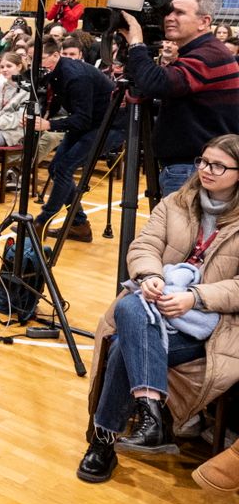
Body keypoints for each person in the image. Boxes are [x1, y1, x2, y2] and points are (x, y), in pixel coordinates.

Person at [77, 135, 239, 484]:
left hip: (211, 324)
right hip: (155, 305)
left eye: (218, 166)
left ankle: (103, 443)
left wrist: (194, 297)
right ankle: (151, 413)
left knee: (124, 341)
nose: (205, 170)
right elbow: (144, 246)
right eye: (203, 161)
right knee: (133, 304)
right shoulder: (175, 203)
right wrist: (150, 275)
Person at [122, 0, 239, 196]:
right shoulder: (203, 51)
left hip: (194, 169)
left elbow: (157, 83)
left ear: (204, 22)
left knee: (183, 228)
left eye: (180, 12)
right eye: (168, 12)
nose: (169, 18)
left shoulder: (208, 55)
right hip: (195, 165)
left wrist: (136, 43)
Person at [33, 35, 116, 242]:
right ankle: (79, 225)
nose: (37, 64)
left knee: (63, 168)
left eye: (40, 58)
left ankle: (42, 221)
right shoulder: (55, 71)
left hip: (109, 125)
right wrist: (44, 116)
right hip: (89, 122)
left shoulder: (75, 76)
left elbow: (83, 119)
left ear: (55, 55)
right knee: (56, 168)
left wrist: (50, 125)